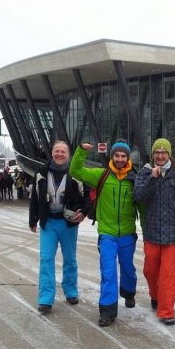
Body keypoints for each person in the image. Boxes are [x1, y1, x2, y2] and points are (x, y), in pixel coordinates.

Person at [69, 139, 138, 327]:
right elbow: (75, 171)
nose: (120, 159)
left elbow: (145, 203)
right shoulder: (101, 175)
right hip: (107, 233)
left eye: (123, 156)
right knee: (108, 271)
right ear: (112, 156)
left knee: (128, 269)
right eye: (117, 155)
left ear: (128, 157)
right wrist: (80, 152)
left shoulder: (135, 178)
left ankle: (129, 292)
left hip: (127, 233)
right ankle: (107, 311)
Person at [134, 138, 175, 326]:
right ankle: (155, 295)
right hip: (151, 232)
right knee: (150, 271)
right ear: (153, 155)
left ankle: (166, 311)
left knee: (168, 274)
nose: (160, 156)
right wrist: (152, 178)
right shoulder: (144, 172)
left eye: (164, 152)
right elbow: (138, 197)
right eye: (157, 152)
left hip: (172, 234)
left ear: (169, 154)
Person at [29, 140, 91, 315]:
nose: (59, 154)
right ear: (52, 153)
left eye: (63, 151)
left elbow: (88, 196)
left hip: (68, 224)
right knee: (46, 259)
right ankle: (45, 299)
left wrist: (84, 212)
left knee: (70, 259)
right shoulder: (41, 173)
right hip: (48, 222)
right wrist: (32, 219)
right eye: (57, 151)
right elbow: (35, 196)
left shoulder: (75, 174)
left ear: (68, 154)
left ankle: (71, 292)